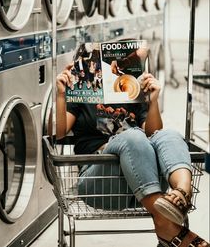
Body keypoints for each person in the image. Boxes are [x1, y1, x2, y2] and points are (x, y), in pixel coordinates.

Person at [55, 65, 209, 247]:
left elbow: (153, 133)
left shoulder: (133, 92)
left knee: (169, 135)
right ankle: (164, 223)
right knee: (133, 136)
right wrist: (61, 95)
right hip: (100, 183)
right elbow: (58, 133)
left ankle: (183, 192)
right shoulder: (82, 91)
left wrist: (153, 101)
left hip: (143, 181)